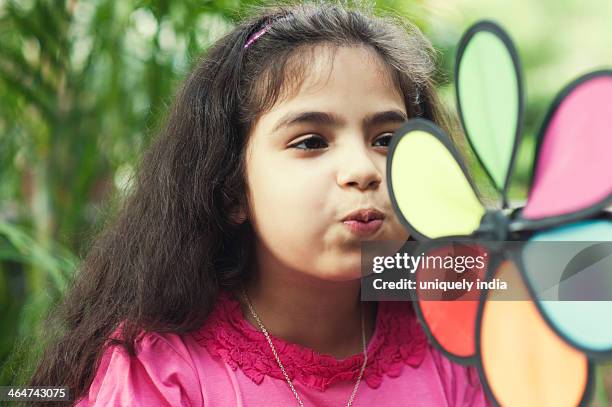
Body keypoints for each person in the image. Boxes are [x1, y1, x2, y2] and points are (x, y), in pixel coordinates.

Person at [31, 2, 489, 406]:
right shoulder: (162, 372)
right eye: (311, 141)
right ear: (233, 189)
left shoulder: (457, 344)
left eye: (386, 139)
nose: (364, 169)